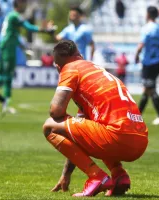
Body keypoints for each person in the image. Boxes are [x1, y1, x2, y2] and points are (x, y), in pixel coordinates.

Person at [43, 40, 148, 197]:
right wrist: (66, 174)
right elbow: (78, 136)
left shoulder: (69, 68)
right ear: (80, 55)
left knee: (50, 126)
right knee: (96, 126)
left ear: (59, 65)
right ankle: (119, 174)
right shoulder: (95, 71)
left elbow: (56, 111)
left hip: (117, 137)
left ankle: (97, 177)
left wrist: (63, 74)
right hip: (140, 141)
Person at [0, 0, 55, 113]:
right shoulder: (14, 16)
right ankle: (6, 103)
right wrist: (45, 30)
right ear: (18, 4)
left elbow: (13, 34)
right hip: (7, 49)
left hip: (9, 48)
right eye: (23, 2)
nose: (25, 5)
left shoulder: (11, 17)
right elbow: (28, 26)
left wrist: (24, 48)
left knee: (7, 76)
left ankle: (6, 104)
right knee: (5, 76)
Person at [135, 6, 159, 125]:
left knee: (150, 89)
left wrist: (136, 55)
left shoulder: (146, 29)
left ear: (148, 14)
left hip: (148, 63)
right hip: (158, 63)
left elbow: (141, 45)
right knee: (147, 89)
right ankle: (137, 116)